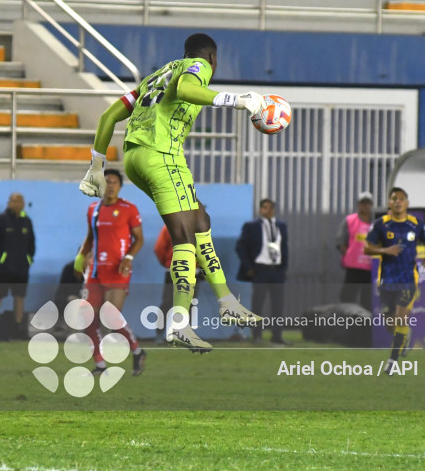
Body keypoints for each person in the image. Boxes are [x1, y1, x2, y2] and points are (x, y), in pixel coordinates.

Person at [79, 32, 266, 352]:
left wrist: (97, 165)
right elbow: (186, 89)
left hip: (136, 157)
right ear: (213, 58)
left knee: (200, 219)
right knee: (184, 236)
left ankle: (226, 301)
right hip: (161, 155)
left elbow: (109, 116)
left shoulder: (157, 75)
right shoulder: (198, 66)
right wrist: (238, 100)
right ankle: (179, 322)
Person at [75, 169, 146, 376]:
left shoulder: (129, 209)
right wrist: (80, 257)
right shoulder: (93, 209)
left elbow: (139, 239)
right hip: (96, 271)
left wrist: (128, 257)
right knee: (88, 318)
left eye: (114, 182)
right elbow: (90, 237)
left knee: (110, 317)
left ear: (120, 186)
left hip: (118, 270)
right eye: (107, 181)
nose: (111, 185)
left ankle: (137, 351)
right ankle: (100, 365)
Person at [364, 187, 425, 373]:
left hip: (408, 280)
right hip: (387, 281)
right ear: (389, 202)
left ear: (407, 203)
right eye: (394, 198)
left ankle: (392, 362)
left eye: (401, 199)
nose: (398, 202)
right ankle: (405, 335)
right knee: (390, 325)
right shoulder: (380, 225)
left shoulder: (417, 224)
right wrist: (385, 251)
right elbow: (367, 249)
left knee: (401, 318)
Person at [235, 198, 290, 345]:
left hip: (276, 269)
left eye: (271, 208)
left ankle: (276, 336)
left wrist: (283, 267)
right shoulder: (252, 226)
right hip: (260, 269)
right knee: (258, 303)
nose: (268, 211)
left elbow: (284, 247)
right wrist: (249, 268)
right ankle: (257, 335)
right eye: (265, 208)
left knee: (278, 304)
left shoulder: (281, 226)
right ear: (260, 209)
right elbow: (240, 247)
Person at [0, 192, 35, 340]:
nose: (17, 204)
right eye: (14, 201)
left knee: (19, 297)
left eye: (20, 201)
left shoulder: (27, 221)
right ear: (9, 203)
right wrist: (1, 258)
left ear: (23, 204)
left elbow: (32, 243)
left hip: (21, 268)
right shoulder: (0, 220)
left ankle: (18, 329)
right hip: (3, 268)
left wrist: (29, 259)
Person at [337, 192, 375, 311]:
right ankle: (348, 324)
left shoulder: (377, 223)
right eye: (363, 203)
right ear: (358, 205)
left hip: (371, 268)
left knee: (368, 300)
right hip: (353, 268)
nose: (366, 206)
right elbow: (340, 241)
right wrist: (348, 254)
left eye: (368, 203)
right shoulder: (350, 220)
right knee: (347, 297)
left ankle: (365, 327)